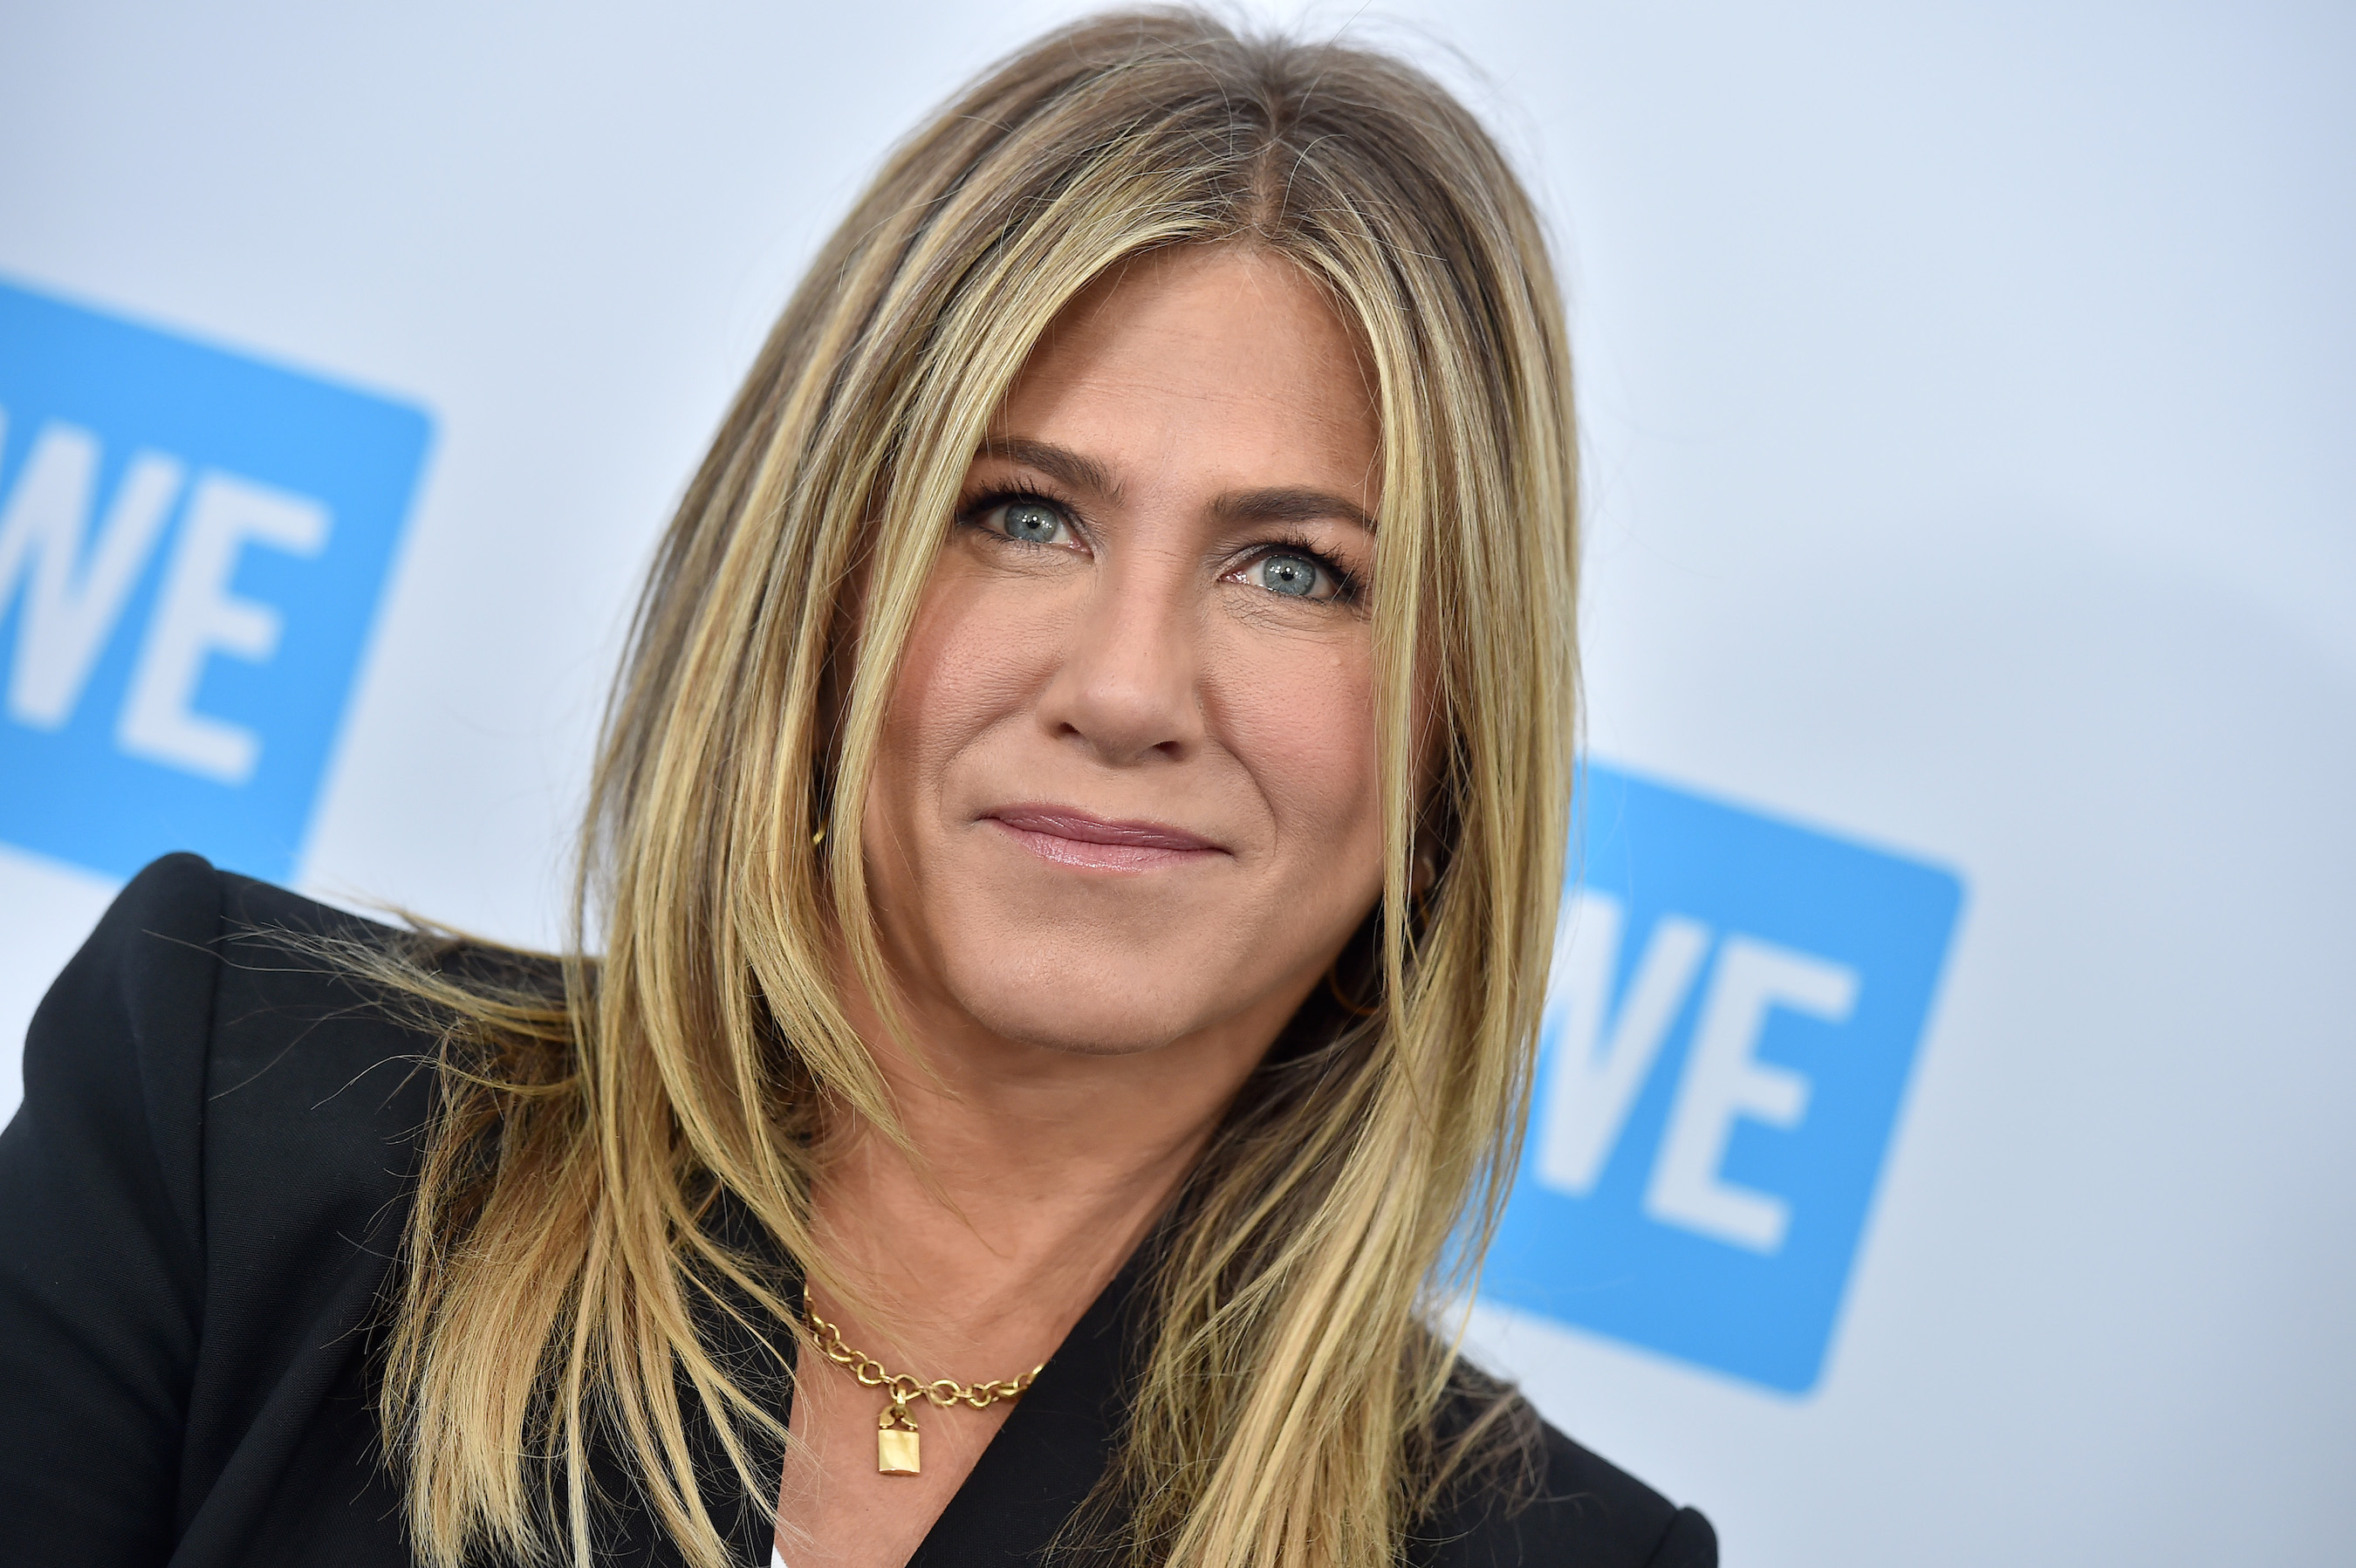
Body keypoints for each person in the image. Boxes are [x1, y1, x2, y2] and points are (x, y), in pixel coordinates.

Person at [0, 10, 1715, 1567]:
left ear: (1453, 727)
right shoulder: (239, 1107)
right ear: (815, 587)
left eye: (1294, 569)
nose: (1125, 689)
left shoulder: (1557, 1554)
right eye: (1022, 513)